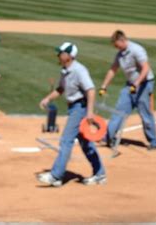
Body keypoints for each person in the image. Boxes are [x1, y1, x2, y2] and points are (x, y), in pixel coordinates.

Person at [37, 42, 106, 187]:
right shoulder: (65, 70)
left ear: (69, 56)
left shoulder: (79, 70)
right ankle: (100, 174)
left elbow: (91, 90)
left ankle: (56, 176)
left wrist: (89, 112)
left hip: (80, 108)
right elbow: (61, 89)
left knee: (66, 140)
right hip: (74, 108)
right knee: (85, 143)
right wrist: (47, 98)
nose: (58, 55)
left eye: (61, 53)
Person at [99, 30, 156, 150]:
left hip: (144, 84)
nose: (116, 48)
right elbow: (113, 69)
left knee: (145, 114)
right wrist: (104, 86)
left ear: (122, 40)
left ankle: (153, 142)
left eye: (117, 45)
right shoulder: (120, 54)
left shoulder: (136, 50)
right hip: (130, 86)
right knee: (119, 111)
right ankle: (109, 137)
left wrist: (137, 83)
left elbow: (146, 68)